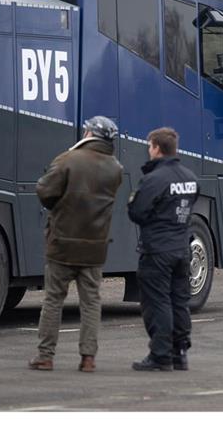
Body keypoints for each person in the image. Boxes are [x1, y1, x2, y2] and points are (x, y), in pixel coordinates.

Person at [28, 116, 123, 373]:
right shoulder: (115, 168)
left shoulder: (67, 160)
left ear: (90, 132)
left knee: (53, 300)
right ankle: (88, 358)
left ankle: (45, 356)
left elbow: (44, 191)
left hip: (62, 244)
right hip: (95, 246)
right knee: (91, 302)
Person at [127, 127, 199, 372]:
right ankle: (180, 353)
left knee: (157, 303)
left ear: (157, 148)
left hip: (157, 250)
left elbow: (137, 212)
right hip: (181, 248)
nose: (149, 150)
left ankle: (160, 355)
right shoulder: (189, 177)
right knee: (179, 301)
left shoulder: (154, 179)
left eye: (150, 146)